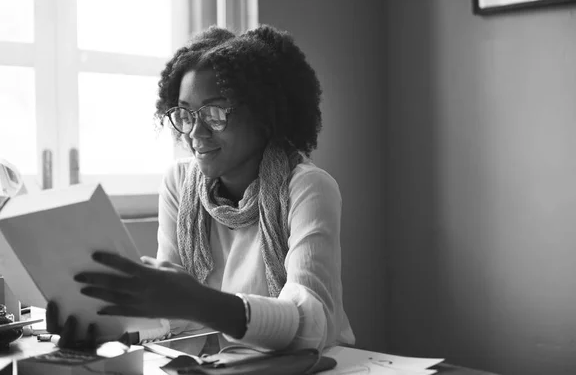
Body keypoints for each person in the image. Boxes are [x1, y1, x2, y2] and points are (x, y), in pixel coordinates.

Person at [47, 24, 355, 353]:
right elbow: (176, 315)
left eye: (214, 113)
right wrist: (112, 326)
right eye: (184, 114)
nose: (196, 132)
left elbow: (313, 322)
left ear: (264, 113)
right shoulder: (180, 184)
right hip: (228, 365)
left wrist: (199, 302)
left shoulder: (308, 187)